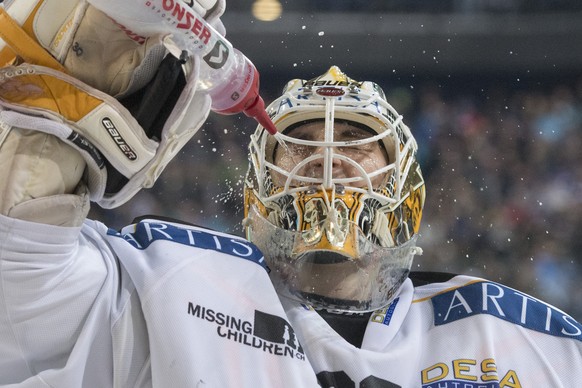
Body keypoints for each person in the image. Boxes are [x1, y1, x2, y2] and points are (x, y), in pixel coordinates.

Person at [242, 66, 582, 387]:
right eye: (299, 142)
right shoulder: (209, 304)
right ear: (262, 179)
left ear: (398, 180)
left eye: (354, 141)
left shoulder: (506, 331)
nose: (327, 157)